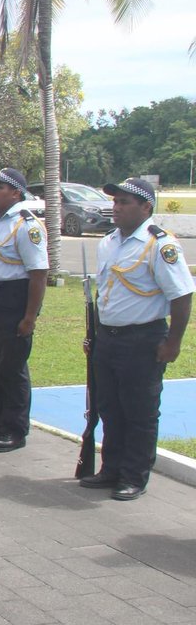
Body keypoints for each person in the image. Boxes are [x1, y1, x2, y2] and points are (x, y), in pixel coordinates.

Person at [80, 178, 193, 500]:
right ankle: (111, 468)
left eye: (125, 202)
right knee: (110, 406)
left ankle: (134, 476)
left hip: (142, 338)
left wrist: (173, 342)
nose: (116, 207)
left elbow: (182, 296)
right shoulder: (109, 242)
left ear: (146, 207)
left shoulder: (160, 245)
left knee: (139, 411)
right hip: (109, 337)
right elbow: (107, 293)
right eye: (115, 201)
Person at [0, 168, 47, 453]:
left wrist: (29, 316)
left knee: (11, 368)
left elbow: (38, 274)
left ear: (16, 193)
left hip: (14, 298)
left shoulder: (27, 225)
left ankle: (14, 429)